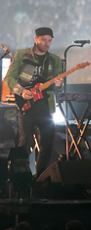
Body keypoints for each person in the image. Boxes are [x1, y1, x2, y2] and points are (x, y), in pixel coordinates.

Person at [5, 27, 63, 178]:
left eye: (49, 40)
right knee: (25, 142)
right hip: (26, 106)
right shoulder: (22, 55)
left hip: (46, 107)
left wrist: (58, 85)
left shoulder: (54, 60)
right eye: (43, 40)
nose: (46, 43)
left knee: (47, 144)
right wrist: (21, 91)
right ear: (36, 38)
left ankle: (40, 177)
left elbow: (58, 89)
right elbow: (9, 78)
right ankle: (21, 177)